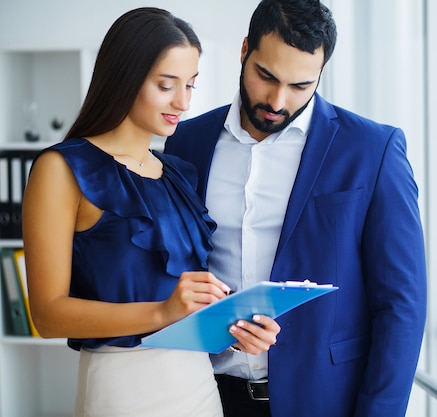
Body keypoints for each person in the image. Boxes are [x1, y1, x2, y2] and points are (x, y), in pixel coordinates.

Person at [165, 0, 427, 416]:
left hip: (324, 400)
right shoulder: (185, 143)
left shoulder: (372, 150)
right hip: (204, 395)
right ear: (244, 50)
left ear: (320, 74)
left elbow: (402, 306)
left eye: (301, 86)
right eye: (265, 76)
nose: (277, 100)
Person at [21, 7, 279, 417]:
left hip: (198, 386)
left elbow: (184, 301)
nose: (183, 101)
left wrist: (234, 326)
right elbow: (48, 314)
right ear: (124, 76)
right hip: (122, 389)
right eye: (166, 85)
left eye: (191, 85)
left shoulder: (177, 173)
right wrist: (163, 312)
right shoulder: (62, 169)